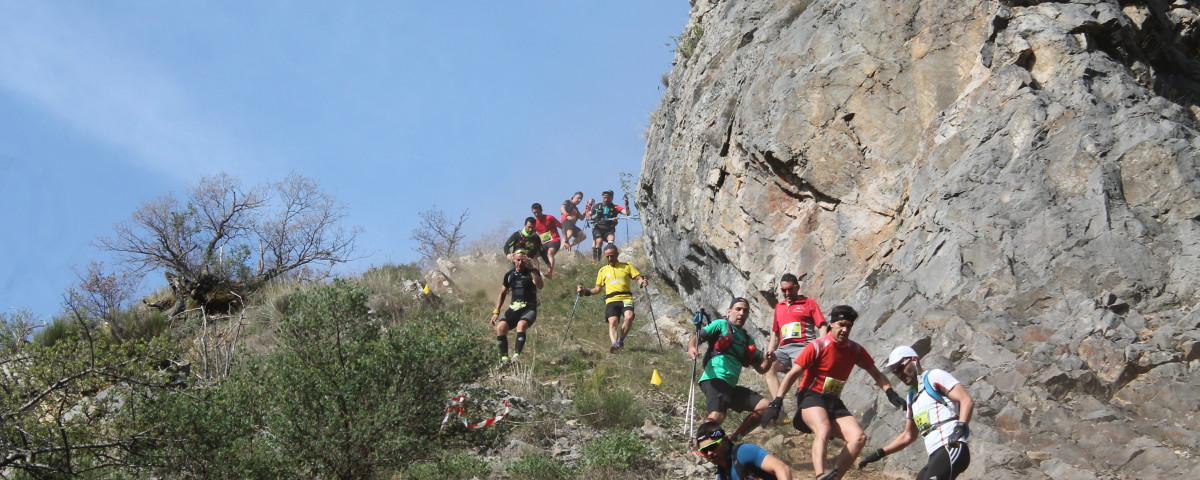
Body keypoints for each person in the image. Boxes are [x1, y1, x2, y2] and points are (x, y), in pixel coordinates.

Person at [759, 305, 905, 480]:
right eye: (841, 324)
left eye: (849, 326)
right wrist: (777, 402)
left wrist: (890, 392)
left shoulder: (854, 349)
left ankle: (834, 477)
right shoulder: (818, 346)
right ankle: (820, 475)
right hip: (810, 395)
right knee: (823, 427)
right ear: (832, 324)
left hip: (833, 400)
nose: (844, 329)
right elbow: (792, 374)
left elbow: (876, 373)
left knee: (859, 437)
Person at [857, 346, 975, 480]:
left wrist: (961, 427)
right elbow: (909, 435)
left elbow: (966, 400)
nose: (899, 374)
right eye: (895, 372)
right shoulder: (911, 397)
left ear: (914, 360)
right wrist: (879, 453)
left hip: (952, 445)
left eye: (900, 367)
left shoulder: (934, 376)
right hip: (935, 455)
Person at [687, 297, 773, 436]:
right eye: (738, 309)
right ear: (729, 311)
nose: (741, 313)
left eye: (745, 311)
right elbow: (698, 337)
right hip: (715, 378)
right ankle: (702, 443)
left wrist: (769, 360)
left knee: (764, 407)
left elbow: (761, 368)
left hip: (731, 386)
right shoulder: (720, 324)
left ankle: (735, 439)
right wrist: (691, 347)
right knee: (718, 415)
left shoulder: (747, 339)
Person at [765, 273, 827, 401]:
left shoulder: (808, 303)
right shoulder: (779, 307)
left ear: (797, 288)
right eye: (783, 290)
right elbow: (776, 334)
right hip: (784, 349)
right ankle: (778, 407)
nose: (787, 293)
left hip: (803, 346)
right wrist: (770, 350)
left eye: (790, 289)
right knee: (768, 367)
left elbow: (822, 325)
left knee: (798, 373)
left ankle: (803, 408)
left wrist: (822, 345)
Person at [575, 244, 647, 353]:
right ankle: (614, 345)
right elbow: (597, 289)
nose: (610, 259)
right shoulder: (602, 270)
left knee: (629, 317)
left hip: (626, 297)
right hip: (611, 300)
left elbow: (638, 277)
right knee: (613, 321)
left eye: (612, 256)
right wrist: (585, 291)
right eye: (607, 257)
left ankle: (620, 340)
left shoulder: (627, 266)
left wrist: (642, 281)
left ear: (617, 255)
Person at [488, 251, 544, 363]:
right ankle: (504, 358)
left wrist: (532, 269)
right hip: (514, 307)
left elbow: (540, 285)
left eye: (522, 260)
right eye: (518, 260)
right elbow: (503, 293)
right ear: (513, 261)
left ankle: (516, 356)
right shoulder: (509, 275)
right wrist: (496, 311)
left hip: (529, 308)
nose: (520, 262)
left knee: (521, 325)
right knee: (500, 327)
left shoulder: (532, 272)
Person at [694, 422, 793, 480]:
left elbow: (782, 468)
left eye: (713, 446)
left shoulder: (743, 452)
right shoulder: (721, 476)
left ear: (725, 441)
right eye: (704, 451)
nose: (709, 453)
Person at [585, 190, 627, 262]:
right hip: (598, 227)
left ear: (612, 198)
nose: (605, 199)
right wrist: (588, 206)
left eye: (607, 197)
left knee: (611, 239)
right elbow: (588, 214)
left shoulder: (615, 207)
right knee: (599, 241)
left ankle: (610, 258)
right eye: (604, 197)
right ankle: (596, 260)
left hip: (609, 228)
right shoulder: (597, 206)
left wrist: (626, 203)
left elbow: (627, 213)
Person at [530, 203, 563, 277]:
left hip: (555, 240)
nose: (536, 214)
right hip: (544, 243)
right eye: (534, 213)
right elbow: (532, 235)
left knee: (550, 253)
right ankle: (537, 273)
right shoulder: (534, 223)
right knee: (534, 255)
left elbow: (562, 227)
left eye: (538, 212)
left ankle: (549, 271)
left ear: (541, 210)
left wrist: (566, 240)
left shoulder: (549, 218)